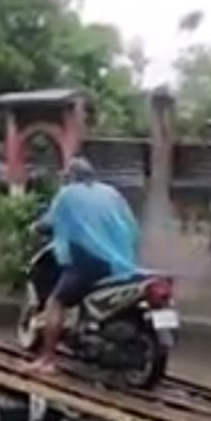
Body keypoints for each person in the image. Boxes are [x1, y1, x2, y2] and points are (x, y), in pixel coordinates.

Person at [26, 157, 140, 374]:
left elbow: (49, 222)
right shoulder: (111, 193)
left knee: (56, 303)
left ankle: (47, 360)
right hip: (120, 265)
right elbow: (132, 227)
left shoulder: (67, 195)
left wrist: (35, 228)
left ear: (70, 176)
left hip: (89, 263)